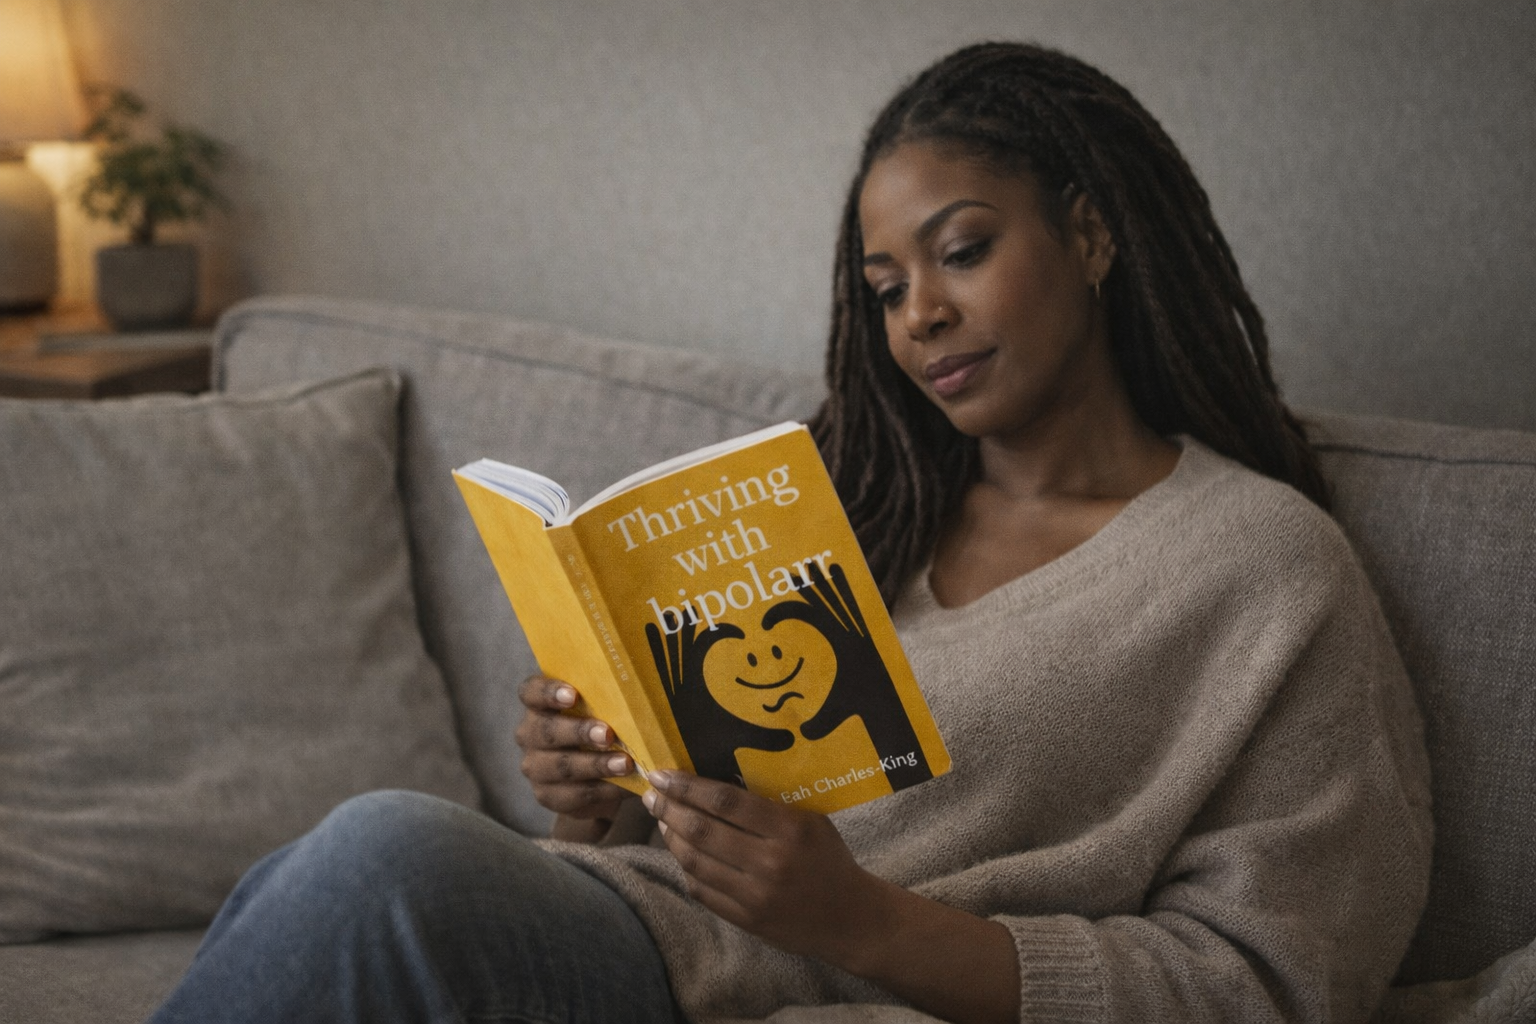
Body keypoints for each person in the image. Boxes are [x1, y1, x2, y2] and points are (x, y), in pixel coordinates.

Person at [150, 41, 1431, 1024]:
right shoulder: (854, 519)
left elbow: (1273, 977)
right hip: (640, 932)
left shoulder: (1263, 567)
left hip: (749, 982)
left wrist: (866, 924)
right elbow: (704, 830)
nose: (920, 314)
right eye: (887, 289)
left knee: (384, 854)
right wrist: (599, 793)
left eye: (962, 252)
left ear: (1090, 233)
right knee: (322, 872)